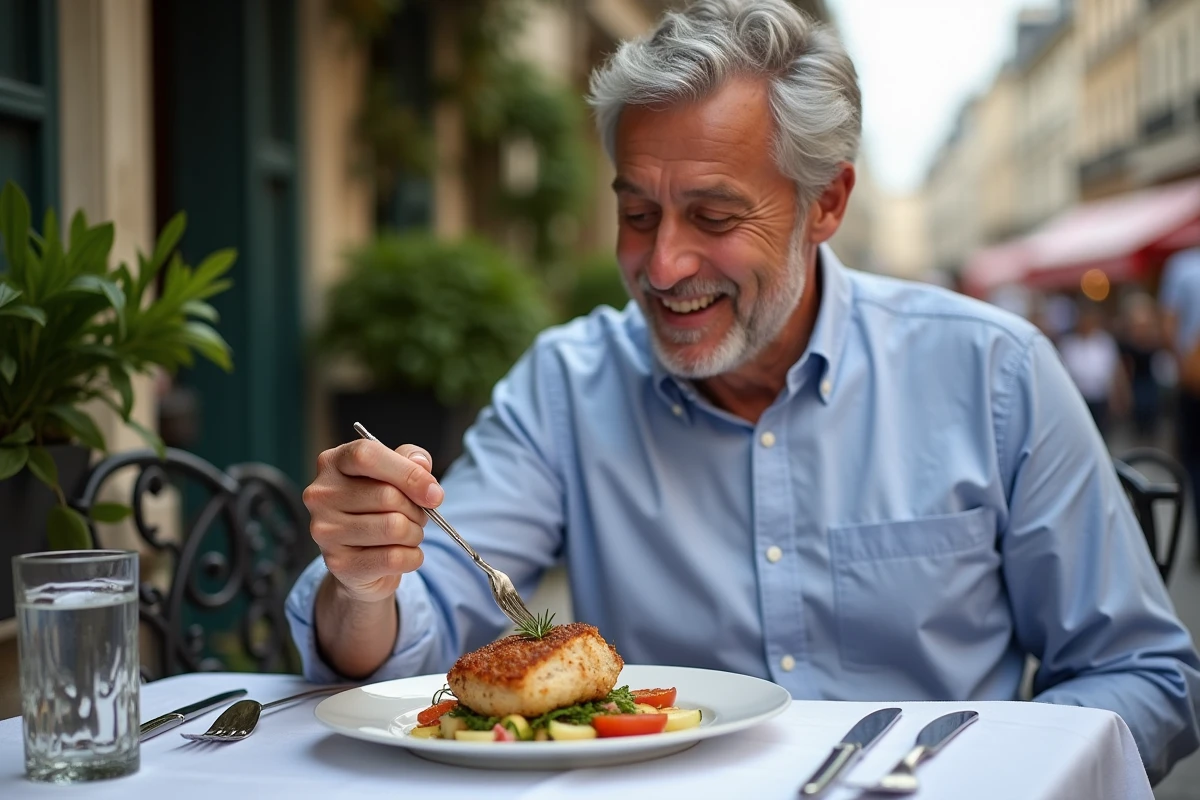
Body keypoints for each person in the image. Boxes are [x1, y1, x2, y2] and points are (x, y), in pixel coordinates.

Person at [286, 0, 1200, 784]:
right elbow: (426, 621)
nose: (663, 263)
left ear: (827, 204)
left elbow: (1143, 674)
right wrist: (366, 585)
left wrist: (989, 781)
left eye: (715, 217)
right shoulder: (568, 383)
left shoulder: (993, 372)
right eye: (636, 214)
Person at [1160, 244, 1200, 562]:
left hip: (1193, 376)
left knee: (1195, 462)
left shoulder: (1182, 266)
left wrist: (1183, 368)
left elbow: (1169, 326)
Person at [1056, 301, 1126, 437]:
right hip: (1079, 398)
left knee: (1102, 433)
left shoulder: (1105, 342)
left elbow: (1115, 370)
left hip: (1100, 397)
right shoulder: (1069, 344)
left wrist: (1119, 394)